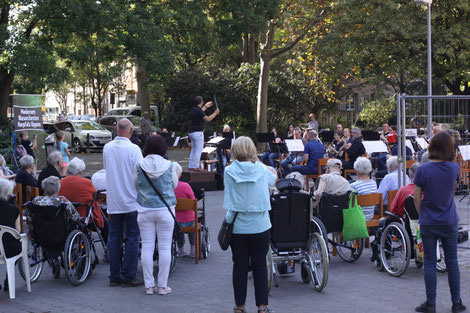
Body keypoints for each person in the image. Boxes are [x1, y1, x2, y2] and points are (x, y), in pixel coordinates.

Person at [413, 131, 466, 313]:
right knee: (452, 262)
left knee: (429, 262)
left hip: (428, 220)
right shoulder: (454, 168)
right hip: (449, 220)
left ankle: (431, 303)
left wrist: (422, 215)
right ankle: (456, 303)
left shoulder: (422, 169)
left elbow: (417, 197)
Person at [224, 136, 276, 313]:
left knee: (239, 266)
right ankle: (262, 306)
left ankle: (239, 306)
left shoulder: (228, 171)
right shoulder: (260, 169)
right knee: (260, 265)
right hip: (260, 224)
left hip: (238, 224)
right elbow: (273, 180)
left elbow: (229, 196)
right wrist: (257, 161)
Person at [135, 135, 180, 295]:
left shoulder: (139, 165)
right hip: (165, 210)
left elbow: (136, 185)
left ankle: (149, 286)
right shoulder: (170, 166)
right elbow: (174, 184)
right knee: (165, 247)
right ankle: (162, 286)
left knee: (146, 247)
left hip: (144, 210)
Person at [103, 118, 144, 287]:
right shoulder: (134, 149)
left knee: (114, 238)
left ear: (115, 129)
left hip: (114, 201)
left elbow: (107, 169)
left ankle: (114, 275)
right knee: (133, 238)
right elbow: (140, 174)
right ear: (131, 131)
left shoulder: (107, 148)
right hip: (131, 201)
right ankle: (128, 275)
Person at [59, 157, 108, 245]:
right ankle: (107, 249)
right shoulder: (86, 182)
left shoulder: (61, 182)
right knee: (107, 226)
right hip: (84, 219)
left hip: (66, 218)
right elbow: (95, 197)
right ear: (81, 171)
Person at [188, 96, 219, 171]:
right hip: (198, 133)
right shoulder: (198, 110)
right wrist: (215, 113)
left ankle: (191, 166)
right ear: (201, 102)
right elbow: (207, 119)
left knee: (193, 150)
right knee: (199, 150)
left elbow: (200, 112)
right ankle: (196, 167)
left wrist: (206, 106)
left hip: (191, 132)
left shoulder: (194, 109)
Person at [0, 178, 21, 292]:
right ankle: (8, 280)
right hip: (9, 248)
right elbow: (17, 230)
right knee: (18, 246)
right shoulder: (14, 209)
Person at [173, 163, 196, 257]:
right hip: (189, 221)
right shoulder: (185, 186)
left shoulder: (168, 187)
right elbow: (193, 200)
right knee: (193, 230)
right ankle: (193, 250)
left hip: (175, 221)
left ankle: (181, 250)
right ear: (180, 174)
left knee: (179, 230)